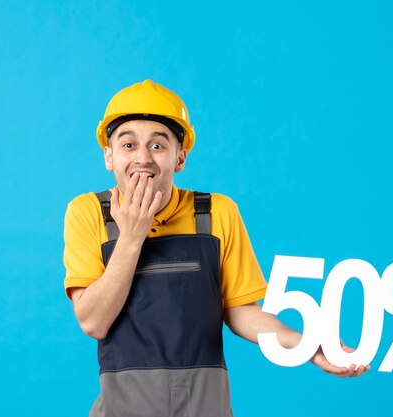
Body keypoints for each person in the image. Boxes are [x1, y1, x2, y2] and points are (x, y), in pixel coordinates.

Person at [63, 80, 368, 417]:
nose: (142, 158)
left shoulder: (216, 213)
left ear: (180, 157)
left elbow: (241, 312)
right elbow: (93, 321)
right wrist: (132, 235)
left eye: (158, 146)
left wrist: (308, 346)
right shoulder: (89, 213)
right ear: (109, 156)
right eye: (129, 144)